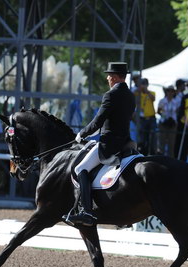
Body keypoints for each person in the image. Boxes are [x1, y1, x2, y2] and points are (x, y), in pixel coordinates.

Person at [65, 62, 136, 226]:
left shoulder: (111, 95)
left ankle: (87, 212)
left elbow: (98, 122)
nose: (107, 78)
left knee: (80, 169)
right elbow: (116, 120)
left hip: (109, 144)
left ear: (116, 77)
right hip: (126, 142)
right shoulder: (131, 96)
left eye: (110, 75)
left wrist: (82, 134)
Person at [134, 78, 156, 154]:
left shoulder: (152, 93)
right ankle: (143, 153)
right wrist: (139, 89)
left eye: (144, 84)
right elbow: (133, 94)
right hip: (142, 119)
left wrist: (146, 91)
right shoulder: (138, 93)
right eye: (142, 84)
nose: (143, 86)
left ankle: (152, 153)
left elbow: (153, 98)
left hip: (151, 118)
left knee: (152, 137)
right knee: (143, 138)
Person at [157, 85, 179, 157]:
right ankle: (160, 159)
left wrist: (172, 119)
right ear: (166, 92)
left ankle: (171, 161)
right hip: (163, 123)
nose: (170, 92)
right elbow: (158, 111)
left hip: (172, 124)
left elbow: (178, 112)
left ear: (174, 92)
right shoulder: (162, 101)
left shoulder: (176, 102)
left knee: (171, 144)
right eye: (168, 91)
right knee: (161, 143)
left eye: (172, 91)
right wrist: (164, 116)